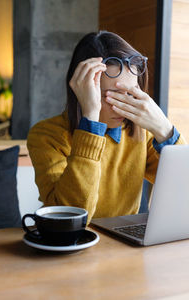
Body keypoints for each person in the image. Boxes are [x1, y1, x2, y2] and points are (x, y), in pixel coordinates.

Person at [27, 31, 186, 224]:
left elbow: (184, 188)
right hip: (70, 244)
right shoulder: (46, 136)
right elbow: (72, 217)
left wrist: (164, 129)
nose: (122, 105)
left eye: (130, 93)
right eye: (110, 95)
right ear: (81, 91)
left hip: (123, 247)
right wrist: (91, 123)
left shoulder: (141, 133)